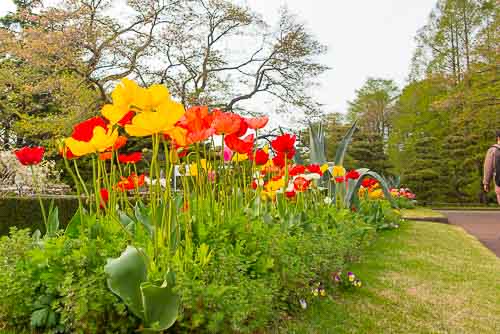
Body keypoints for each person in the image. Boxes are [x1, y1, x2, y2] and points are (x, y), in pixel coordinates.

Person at [483, 130, 500, 204]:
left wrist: (486, 182)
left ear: (498, 138)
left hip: (499, 181)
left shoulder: (493, 150)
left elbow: (488, 167)